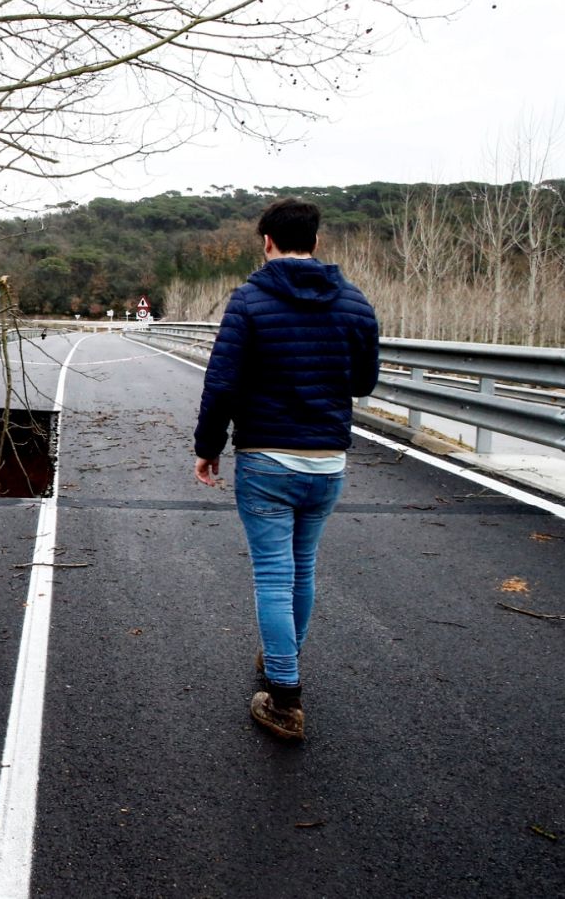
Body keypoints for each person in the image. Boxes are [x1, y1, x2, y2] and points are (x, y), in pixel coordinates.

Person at [192, 197, 380, 741]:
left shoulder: (249, 300)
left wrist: (209, 447)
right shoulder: (354, 302)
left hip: (267, 459)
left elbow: (222, 383)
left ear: (266, 242)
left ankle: (284, 696)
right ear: (316, 242)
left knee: (274, 573)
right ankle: (283, 658)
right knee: (303, 564)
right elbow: (363, 383)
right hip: (326, 461)